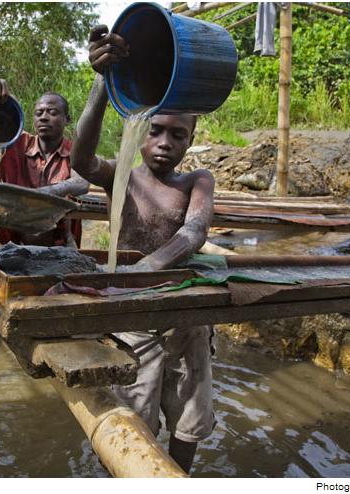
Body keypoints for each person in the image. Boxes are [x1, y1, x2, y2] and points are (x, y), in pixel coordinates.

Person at [70, 25, 217, 474]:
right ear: (142, 130)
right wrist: (102, 82)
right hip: (135, 320)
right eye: (155, 131)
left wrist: (146, 268)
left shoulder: (197, 181)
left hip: (185, 318)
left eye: (177, 135)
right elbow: (80, 160)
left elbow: (193, 234)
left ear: (190, 140)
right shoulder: (123, 177)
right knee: (134, 417)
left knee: (190, 418)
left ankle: (180, 476)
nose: (164, 143)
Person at [0, 79, 90, 247]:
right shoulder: (17, 144)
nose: (44, 117)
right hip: (14, 244)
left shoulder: (75, 150)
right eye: (39, 113)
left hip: (60, 246)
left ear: (67, 119)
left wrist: (45, 192)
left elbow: (82, 183)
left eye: (52, 112)